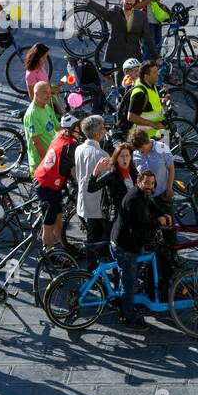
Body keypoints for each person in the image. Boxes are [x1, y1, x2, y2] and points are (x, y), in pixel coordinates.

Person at [112, 168, 170, 332]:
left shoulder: (142, 194)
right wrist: (159, 222)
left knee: (130, 277)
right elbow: (138, 227)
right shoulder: (133, 200)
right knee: (129, 283)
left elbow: (151, 205)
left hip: (131, 244)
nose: (149, 187)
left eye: (152, 184)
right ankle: (129, 317)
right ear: (138, 182)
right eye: (146, 183)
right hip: (126, 246)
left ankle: (124, 303)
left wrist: (162, 213)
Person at [76, 0, 158, 72]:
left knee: (133, 83)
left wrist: (156, 56)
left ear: (135, 1)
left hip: (134, 56)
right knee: (119, 83)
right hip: (118, 57)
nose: (129, 2)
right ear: (122, 0)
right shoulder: (115, 12)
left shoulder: (141, 16)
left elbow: (148, 39)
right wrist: (86, 0)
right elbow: (102, 11)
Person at [32, 114, 81, 254]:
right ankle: (49, 255)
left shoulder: (61, 135)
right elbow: (74, 169)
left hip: (47, 181)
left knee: (58, 217)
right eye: (79, 126)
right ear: (74, 128)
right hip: (47, 186)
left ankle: (64, 247)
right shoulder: (71, 146)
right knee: (48, 224)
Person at [74, 115, 110, 267]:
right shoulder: (102, 155)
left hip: (84, 199)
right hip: (98, 203)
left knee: (91, 235)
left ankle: (90, 269)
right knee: (102, 238)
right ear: (97, 133)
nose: (104, 131)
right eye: (103, 129)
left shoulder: (79, 148)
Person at [129, 127, 175, 219]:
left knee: (168, 224)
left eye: (142, 149)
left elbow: (171, 169)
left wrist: (169, 188)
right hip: (144, 198)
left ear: (147, 142)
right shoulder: (135, 154)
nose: (140, 152)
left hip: (162, 195)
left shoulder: (162, 147)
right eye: (138, 149)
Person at [88, 142, 138, 225]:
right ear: (116, 159)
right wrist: (95, 172)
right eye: (121, 156)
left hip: (133, 215)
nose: (125, 159)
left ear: (130, 158)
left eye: (127, 155)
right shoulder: (111, 175)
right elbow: (91, 188)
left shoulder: (134, 173)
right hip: (117, 217)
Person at [125, 61, 165, 142]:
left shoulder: (151, 85)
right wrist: (154, 124)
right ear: (146, 76)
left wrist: (163, 102)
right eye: (154, 72)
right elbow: (131, 117)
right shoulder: (139, 93)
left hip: (156, 134)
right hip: (144, 139)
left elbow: (150, 106)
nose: (158, 74)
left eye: (157, 71)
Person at [23, 81, 59, 172]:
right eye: (44, 93)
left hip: (52, 154)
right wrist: (46, 162)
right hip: (41, 161)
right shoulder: (32, 115)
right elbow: (37, 143)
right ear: (36, 94)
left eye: (49, 92)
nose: (48, 95)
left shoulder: (46, 107)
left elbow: (58, 127)